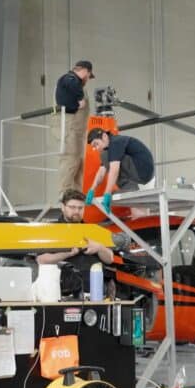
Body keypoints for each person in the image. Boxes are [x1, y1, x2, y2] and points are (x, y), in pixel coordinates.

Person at [84, 129, 155, 214]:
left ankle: (128, 188)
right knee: (106, 155)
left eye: (96, 144)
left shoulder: (115, 143)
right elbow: (101, 172)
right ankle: (129, 188)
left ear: (104, 136)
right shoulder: (113, 147)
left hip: (142, 171)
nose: (96, 148)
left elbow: (114, 170)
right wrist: (92, 190)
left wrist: (108, 193)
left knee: (104, 154)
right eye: (94, 146)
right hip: (143, 175)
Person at [37, 189, 113, 266]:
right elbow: (41, 260)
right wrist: (66, 254)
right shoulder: (50, 229)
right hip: (63, 277)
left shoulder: (93, 229)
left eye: (80, 208)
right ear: (63, 207)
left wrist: (100, 248)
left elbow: (110, 259)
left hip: (95, 276)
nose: (77, 211)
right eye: (72, 207)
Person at [54, 60, 95, 195]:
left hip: (78, 131)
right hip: (69, 128)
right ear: (85, 71)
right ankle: (64, 195)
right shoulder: (70, 79)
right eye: (88, 76)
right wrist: (80, 98)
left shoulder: (78, 85)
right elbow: (70, 81)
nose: (88, 79)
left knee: (79, 162)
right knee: (70, 159)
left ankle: (77, 195)